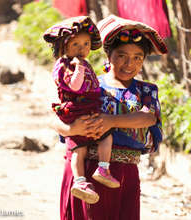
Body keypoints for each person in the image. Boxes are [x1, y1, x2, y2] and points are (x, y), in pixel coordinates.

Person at [53, 14, 168, 220]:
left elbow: (148, 118)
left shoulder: (146, 91)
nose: (129, 63)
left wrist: (111, 120)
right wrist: (72, 130)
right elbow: (56, 117)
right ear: (108, 55)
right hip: (87, 173)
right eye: (122, 55)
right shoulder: (88, 86)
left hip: (125, 175)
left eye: (137, 57)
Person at [43, 16, 120, 205]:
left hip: (90, 107)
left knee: (105, 135)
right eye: (76, 44)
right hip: (77, 109)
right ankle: (80, 181)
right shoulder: (65, 66)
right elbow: (76, 87)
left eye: (86, 44)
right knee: (78, 147)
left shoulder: (83, 64)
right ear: (63, 45)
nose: (82, 49)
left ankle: (103, 168)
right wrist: (78, 69)